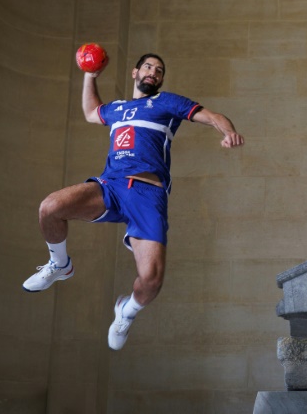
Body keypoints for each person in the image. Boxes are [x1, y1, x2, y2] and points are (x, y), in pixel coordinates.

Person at [22, 53, 244, 350]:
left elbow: (213, 116)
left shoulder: (167, 103)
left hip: (147, 195)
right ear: (135, 72)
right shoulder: (117, 109)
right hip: (110, 186)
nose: (154, 72)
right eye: (149, 67)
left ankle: (126, 312)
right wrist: (90, 74)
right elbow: (91, 113)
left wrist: (228, 132)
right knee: (50, 207)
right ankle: (59, 265)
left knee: (151, 280)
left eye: (160, 70)